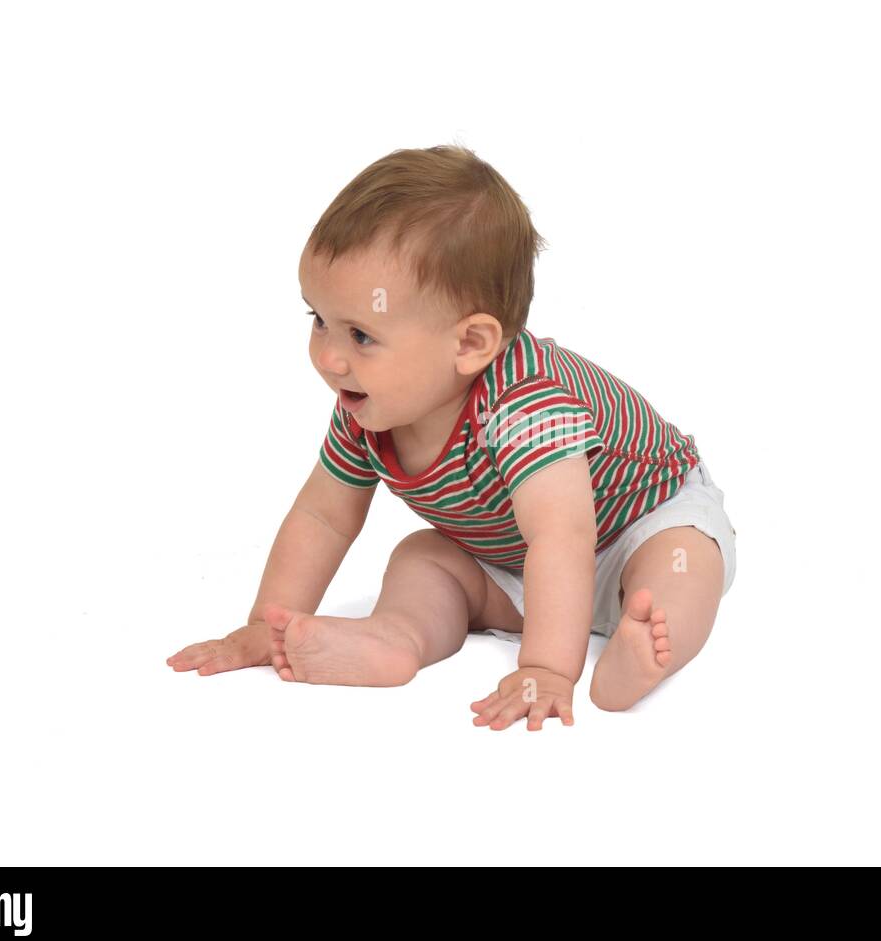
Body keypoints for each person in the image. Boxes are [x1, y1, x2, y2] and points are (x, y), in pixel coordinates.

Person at [166, 145, 737, 730]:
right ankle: (397, 637)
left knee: (684, 571)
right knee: (423, 557)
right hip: (514, 562)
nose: (330, 357)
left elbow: (562, 534)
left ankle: (637, 660)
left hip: (639, 526)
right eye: (318, 319)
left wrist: (545, 666)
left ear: (469, 344)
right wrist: (265, 622)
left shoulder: (526, 401)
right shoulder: (370, 410)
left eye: (360, 335)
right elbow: (323, 517)